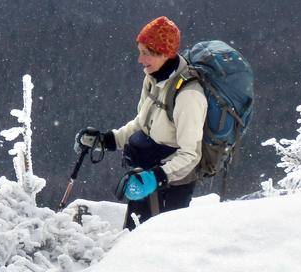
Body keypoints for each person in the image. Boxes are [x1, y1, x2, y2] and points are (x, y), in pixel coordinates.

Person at [76, 16, 207, 230]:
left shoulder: (188, 95)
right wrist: (107, 140)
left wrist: (157, 176)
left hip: (171, 189)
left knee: (159, 248)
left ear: (164, 53)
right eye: (140, 51)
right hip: (144, 177)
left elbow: (191, 154)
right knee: (132, 237)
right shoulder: (153, 78)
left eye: (146, 53)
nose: (139, 59)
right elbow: (142, 124)